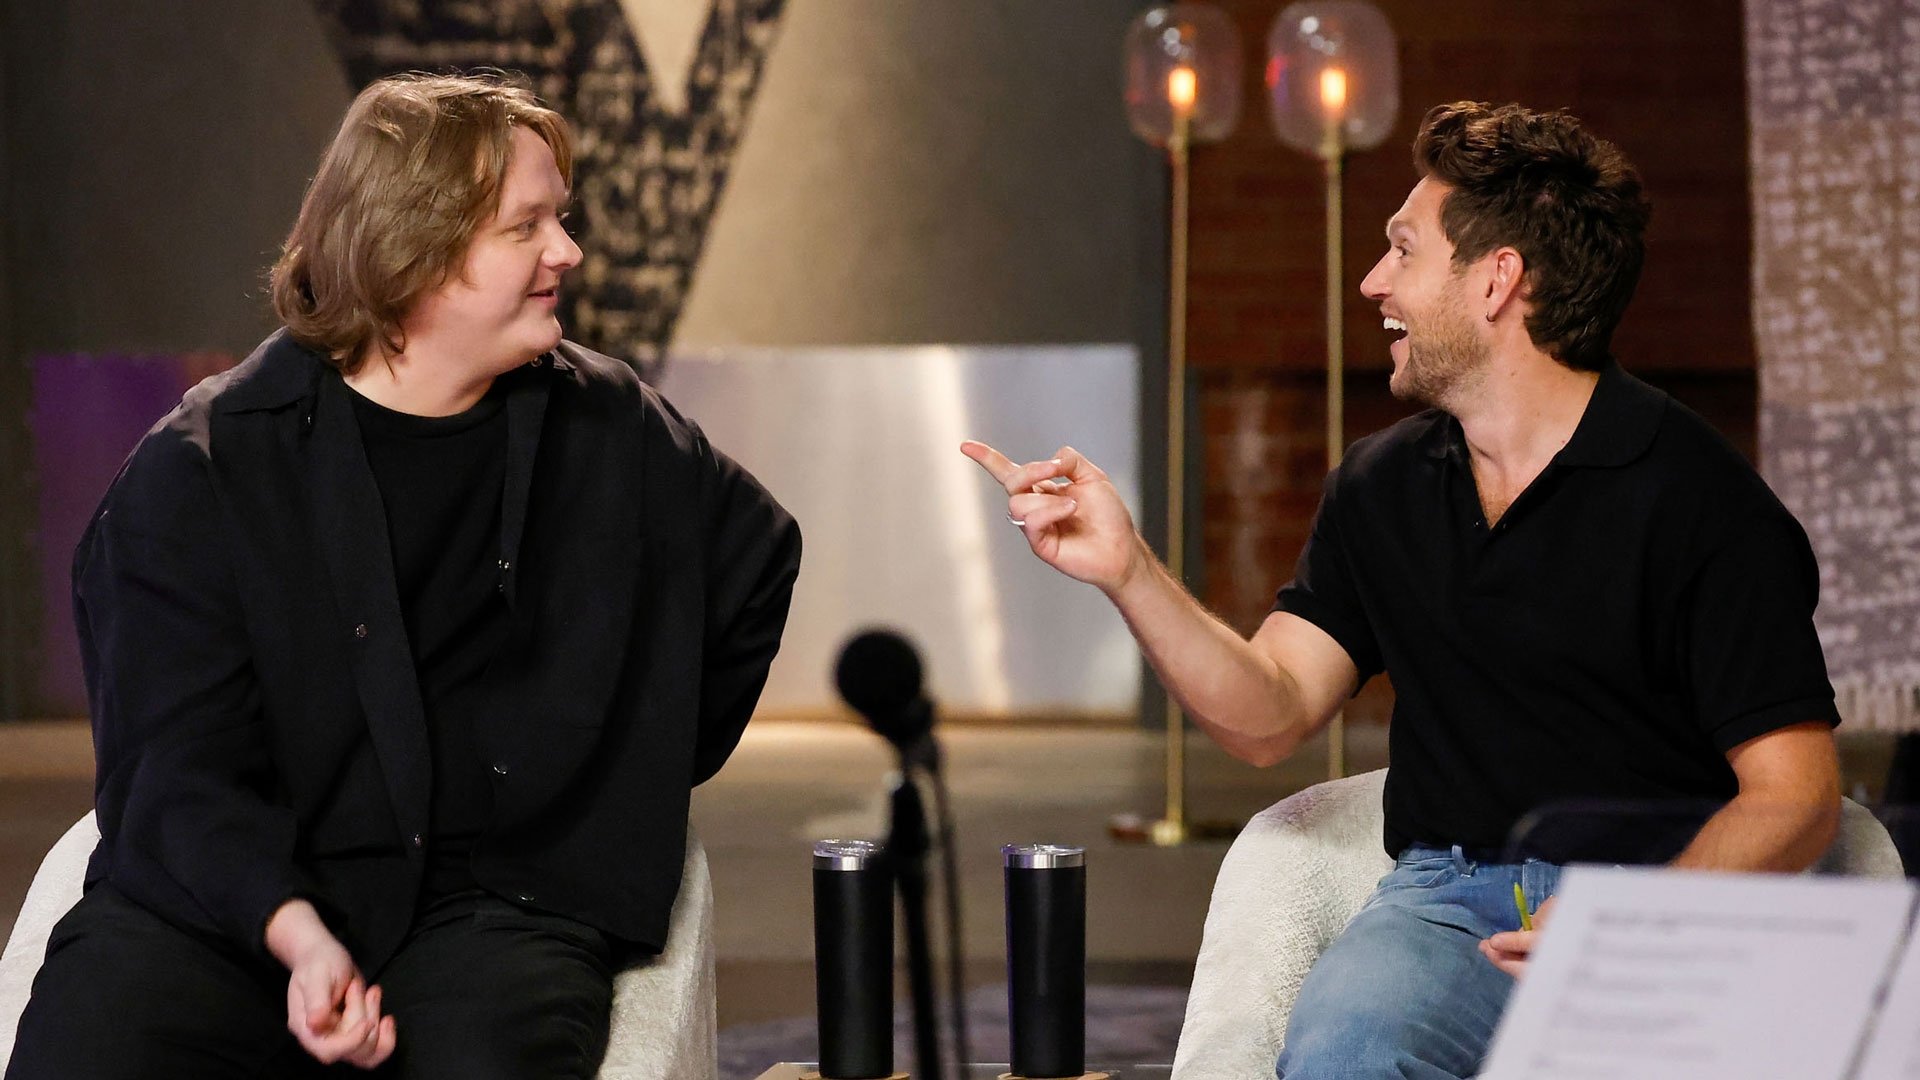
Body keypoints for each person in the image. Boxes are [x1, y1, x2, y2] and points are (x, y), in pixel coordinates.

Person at [963, 101, 1840, 1079]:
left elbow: (1796, 795)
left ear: (1497, 280)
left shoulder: (1702, 500)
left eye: (1404, 250)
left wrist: (1634, 918)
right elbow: (1270, 713)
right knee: (1346, 1054)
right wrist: (1129, 569)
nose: (1374, 281)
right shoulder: (1381, 485)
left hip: (1654, 908)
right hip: (1443, 906)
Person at [8, 72, 800, 1078]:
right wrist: (296, 934)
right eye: (526, 227)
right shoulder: (205, 468)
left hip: (494, 905)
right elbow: (173, 768)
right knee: (97, 1037)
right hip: (244, 900)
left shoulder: (611, 426)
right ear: (411, 254)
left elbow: (752, 565)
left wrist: (609, 786)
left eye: (560, 219)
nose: (567, 251)